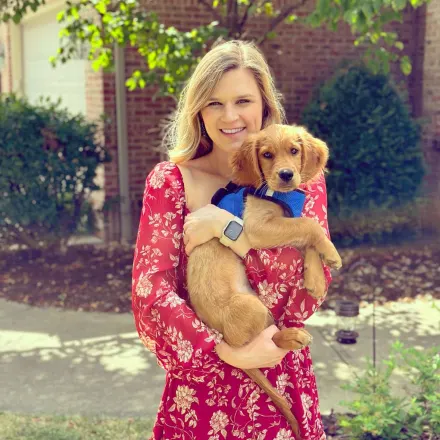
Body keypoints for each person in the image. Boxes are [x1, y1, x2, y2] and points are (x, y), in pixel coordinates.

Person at [132, 40, 332, 440]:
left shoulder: (301, 179)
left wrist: (228, 229)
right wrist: (223, 350)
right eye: (213, 103)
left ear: (264, 106)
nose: (230, 117)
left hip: (280, 376)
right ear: (198, 111)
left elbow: (308, 292)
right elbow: (150, 291)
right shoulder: (171, 181)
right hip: (203, 391)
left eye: (243, 100)